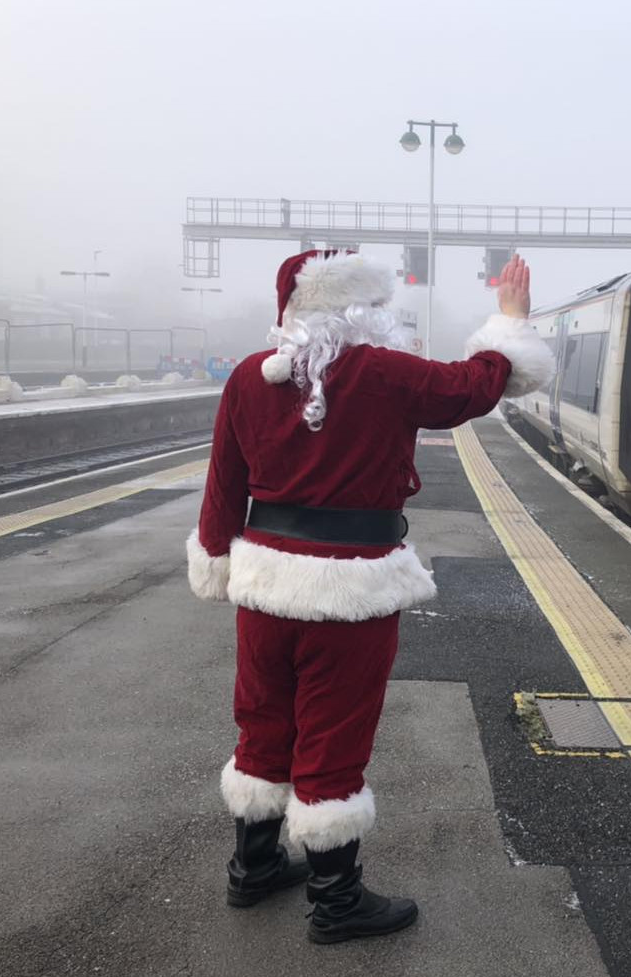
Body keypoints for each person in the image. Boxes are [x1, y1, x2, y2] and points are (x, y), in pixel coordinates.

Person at [185, 249, 552, 943]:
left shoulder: (245, 379)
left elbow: (223, 485)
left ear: (289, 309)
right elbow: (475, 385)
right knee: (333, 732)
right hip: (350, 591)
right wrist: (508, 323)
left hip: (264, 589)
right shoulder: (386, 373)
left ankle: (254, 865)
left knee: (263, 720)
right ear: (368, 309)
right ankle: (336, 898)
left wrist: (214, 556)